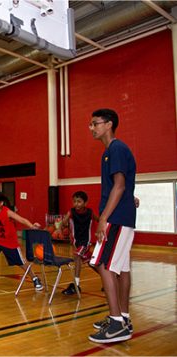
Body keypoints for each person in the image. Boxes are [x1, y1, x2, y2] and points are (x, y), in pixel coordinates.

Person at [88, 108, 137, 344]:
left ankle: (117, 322)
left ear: (108, 125)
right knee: (122, 268)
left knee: (103, 264)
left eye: (95, 124)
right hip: (122, 215)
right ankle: (124, 317)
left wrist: (102, 218)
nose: (92, 128)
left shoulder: (116, 148)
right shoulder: (111, 152)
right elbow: (124, 186)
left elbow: (119, 185)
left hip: (116, 218)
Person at [0, 191, 43, 290]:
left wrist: (32, 226)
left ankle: (35, 278)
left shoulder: (7, 212)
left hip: (10, 243)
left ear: (1, 203)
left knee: (21, 263)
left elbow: (22, 220)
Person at [61, 191, 99, 295]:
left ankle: (76, 284)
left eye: (79, 201)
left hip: (86, 242)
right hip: (77, 242)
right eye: (74, 201)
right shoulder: (71, 212)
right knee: (91, 263)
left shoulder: (90, 213)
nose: (76, 204)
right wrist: (64, 224)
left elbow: (100, 220)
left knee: (77, 256)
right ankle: (107, 279)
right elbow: (63, 223)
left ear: (85, 203)